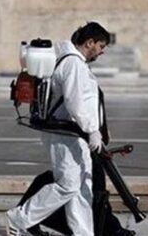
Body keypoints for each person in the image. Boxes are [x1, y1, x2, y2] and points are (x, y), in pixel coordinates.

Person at [7, 22, 111, 236]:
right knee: (68, 186)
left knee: (82, 188)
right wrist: (92, 130)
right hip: (67, 134)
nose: (103, 51)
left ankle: (83, 233)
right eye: (101, 46)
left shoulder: (68, 59)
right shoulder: (73, 64)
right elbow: (76, 102)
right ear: (89, 43)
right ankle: (18, 219)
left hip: (71, 133)